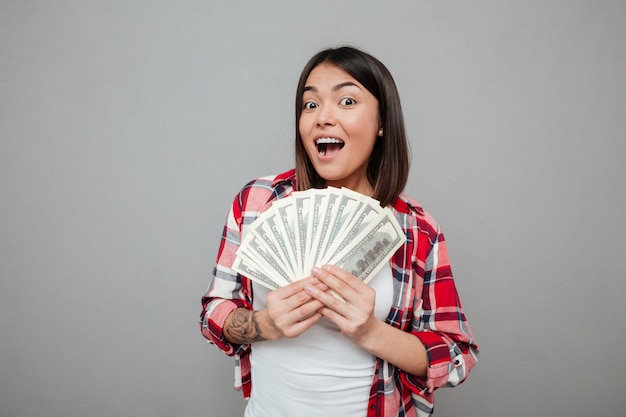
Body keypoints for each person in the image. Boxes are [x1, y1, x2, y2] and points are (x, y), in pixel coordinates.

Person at [199, 46, 478, 417]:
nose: (322, 118)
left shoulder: (416, 228)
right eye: (310, 105)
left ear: (381, 123)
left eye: (346, 101)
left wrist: (370, 331)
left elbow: (456, 355)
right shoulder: (258, 202)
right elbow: (213, 313)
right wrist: (265, 324)